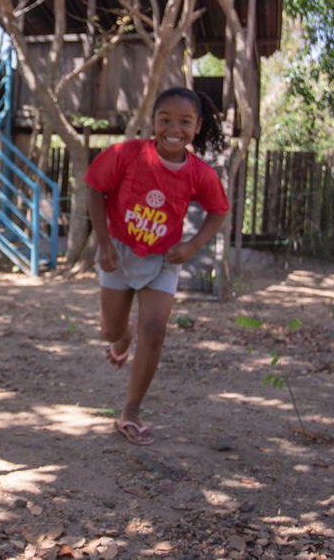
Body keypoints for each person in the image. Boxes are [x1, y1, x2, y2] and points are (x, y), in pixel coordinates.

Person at [85, 87, 229, 447]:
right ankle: (122, 339)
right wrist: (103, 243)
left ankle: (130, 412)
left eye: (184, 121)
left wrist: (193, 246)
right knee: (109, 331)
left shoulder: (198, 173)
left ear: (196, 127)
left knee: (155, 330)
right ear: (153, 122)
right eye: (165, 119)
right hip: (118, 251)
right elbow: (94, 189)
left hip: (163, 259)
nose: (173, 128)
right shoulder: (126, 154)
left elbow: (219, 210)